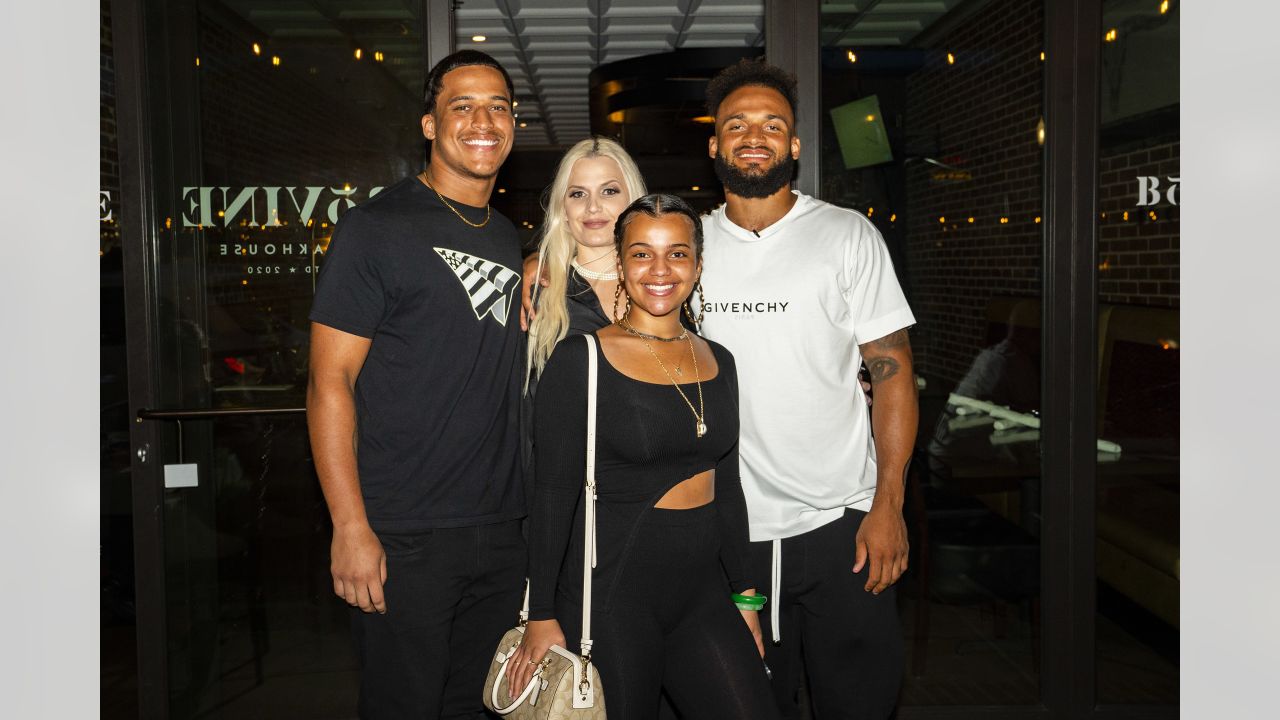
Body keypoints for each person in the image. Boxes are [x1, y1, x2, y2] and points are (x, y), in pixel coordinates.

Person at [306, 49, 526, 719]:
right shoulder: (375, 230)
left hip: (502, 526)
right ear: (429, 124)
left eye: (497, 107)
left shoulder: (514, 239)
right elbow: (328, 384)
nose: (482, 120)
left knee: (479, 706)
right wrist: (350, 526)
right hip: (405, 531)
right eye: (462, 106)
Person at [697, 58, 919, 719]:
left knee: (859, 705)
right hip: (729, 537)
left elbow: (893, 373)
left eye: (773, 124)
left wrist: (889, 505)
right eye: (736, 124)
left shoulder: (847, 234)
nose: (754, 135)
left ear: (794, 145)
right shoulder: (689, 248)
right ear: (714, 145)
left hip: (842, 525)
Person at [507, 194, 779, 720]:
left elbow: (729, 486)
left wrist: (746, 596)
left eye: (677, 254)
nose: (660, 270)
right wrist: (540, 612)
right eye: (641, 253)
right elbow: (552, 494)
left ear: (698, 266)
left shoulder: (719, 359)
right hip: (613, 596)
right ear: (621, 262)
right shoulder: (580, 359)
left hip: (703, 593)